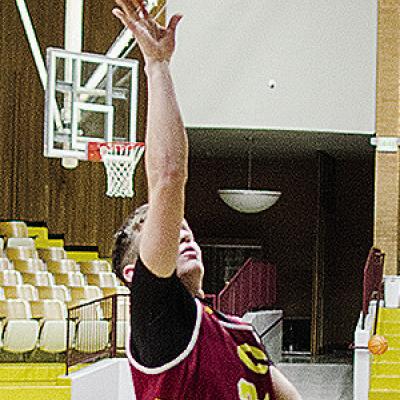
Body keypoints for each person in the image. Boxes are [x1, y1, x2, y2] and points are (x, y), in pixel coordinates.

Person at [112, 1, 302, 399]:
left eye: (185, 228)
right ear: (135, 275)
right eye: (164, 230)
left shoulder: (238, 329)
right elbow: (168, 177)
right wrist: (156, 65)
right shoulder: (158, 320)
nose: (182, 232)